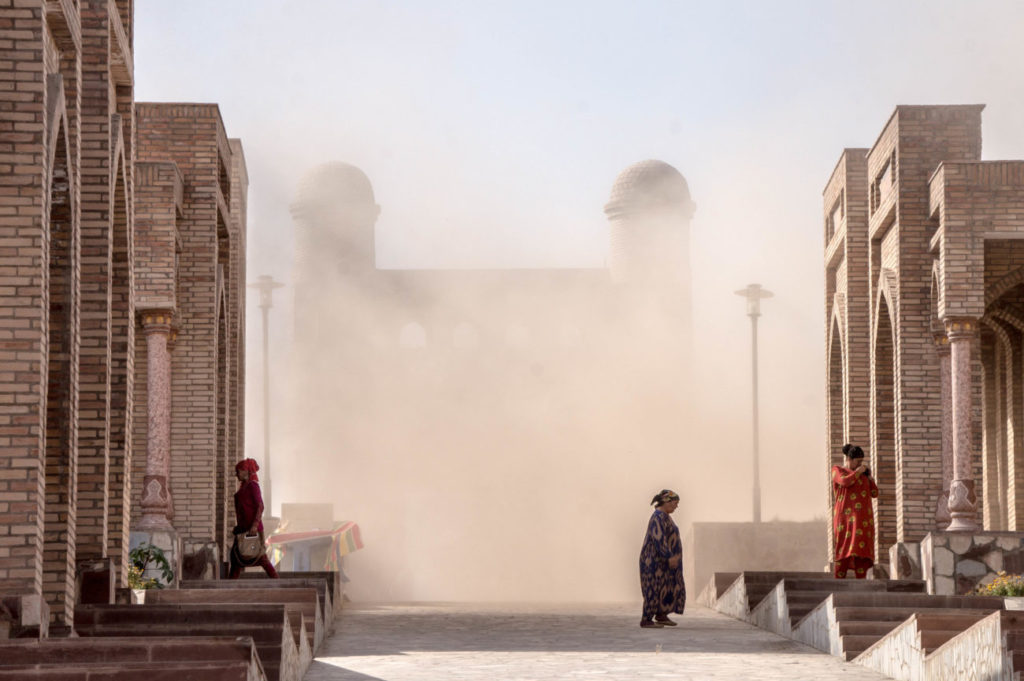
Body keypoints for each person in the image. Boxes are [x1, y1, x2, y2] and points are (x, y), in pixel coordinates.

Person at [639, 489, 686, 628]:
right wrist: (669, 556)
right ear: (667, 502)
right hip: (653, 561)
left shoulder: (665, 516)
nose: (676, 506)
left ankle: (661, 615)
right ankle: (646, 620)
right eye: (675, 503)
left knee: (666, 587)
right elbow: (658, 538)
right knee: (653, 588)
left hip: (663, 562)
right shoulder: (658, 517)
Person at [832, 444, 879, 579]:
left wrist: (869, 478)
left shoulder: (862, 475)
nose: (860, 464)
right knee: (844, 549)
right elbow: (845, 482)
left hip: (863, 520)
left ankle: (861, 583)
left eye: (861, 461)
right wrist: (858, 472)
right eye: (857, 461)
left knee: (861, 552)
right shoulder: (838, 470)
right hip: (845, 519)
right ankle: (839, 582)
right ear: (849, 459)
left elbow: (875, 493)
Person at [228, 458, 279, 579]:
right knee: (236, 559)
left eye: (238, 471)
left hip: (252, 530)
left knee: (261, 558)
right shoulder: (243, 487)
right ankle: (229, 588)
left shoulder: (253, 486)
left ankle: (277, 582)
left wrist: (255, 525)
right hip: (242, 530)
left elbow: (260, 505)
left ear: (245, 471)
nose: (236, 475)